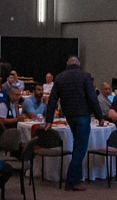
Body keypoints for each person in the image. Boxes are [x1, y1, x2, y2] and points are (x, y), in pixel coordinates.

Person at [43, 56, 104, 192]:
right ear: (79, 64)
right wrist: (99, 116)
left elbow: (52, 100)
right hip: (83, 114)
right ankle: (71, 181)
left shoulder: (59, 78)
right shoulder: (85, 76)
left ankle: (77, 176)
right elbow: (92, 98)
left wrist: (49, 120)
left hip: (69, 115)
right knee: (81, 147)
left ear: (67, 63)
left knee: (77, 145)